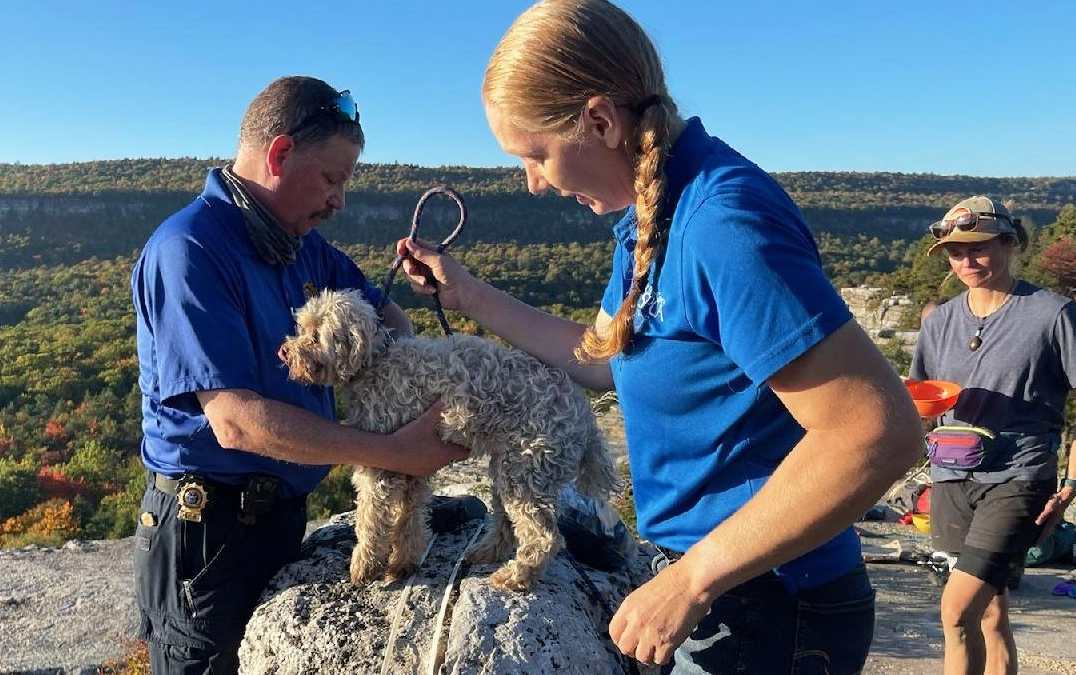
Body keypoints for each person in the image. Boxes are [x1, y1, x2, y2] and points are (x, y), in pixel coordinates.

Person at [395, 0, 923, 671]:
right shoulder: (653, 214)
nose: (532, 183)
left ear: (600, 121)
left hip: (771, 603)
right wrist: (467, 293)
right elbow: (598, 359)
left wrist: (690, 578)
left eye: (535, 155)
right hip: (729, 587)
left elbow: (877, 431)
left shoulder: (720, 225)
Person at [130, 75, 468, 675]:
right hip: (207, 536)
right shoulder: (191, 249)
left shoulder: (303, 246)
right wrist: (393, 451)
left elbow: (389, 317)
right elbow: (234, 423)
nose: (341, 200)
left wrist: (388, 340)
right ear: (280, 154)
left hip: (280, 518)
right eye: (333, 179)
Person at [909, 195, 1076, 675]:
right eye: (955, 253)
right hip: (951, 475)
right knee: (989, 611)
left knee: (955, 611)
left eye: (978, 248)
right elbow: (924, 396)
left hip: (1018, 478)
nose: (967, 261)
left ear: (1010, 242)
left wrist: (1069, 485)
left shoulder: (1052, 314)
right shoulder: (939, 320)